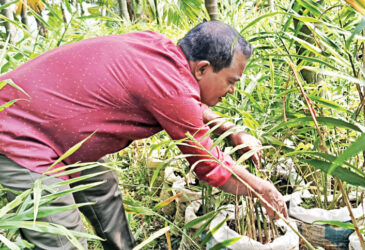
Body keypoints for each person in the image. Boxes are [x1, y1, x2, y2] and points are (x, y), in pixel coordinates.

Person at [0, 20, 287, 249]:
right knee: (63, 238)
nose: (232, 90)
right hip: (18, 132)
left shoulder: (162, 50)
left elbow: (179, 100)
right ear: (202, 68)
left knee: (102, 184)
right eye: (230, 81)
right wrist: (263, 190)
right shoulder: (172, 86)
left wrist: (230, 129)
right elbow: (211, 167)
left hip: (47, 127)